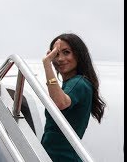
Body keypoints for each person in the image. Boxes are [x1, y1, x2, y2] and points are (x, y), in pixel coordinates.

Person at [41, 33, 106, 161]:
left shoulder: (79, 83)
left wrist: (46, 63)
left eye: (66, 52)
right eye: (56, 54)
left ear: (78, 55)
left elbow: (60, 103)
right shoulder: (70, 85)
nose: (60, 59)